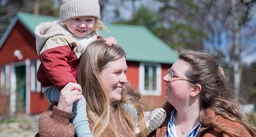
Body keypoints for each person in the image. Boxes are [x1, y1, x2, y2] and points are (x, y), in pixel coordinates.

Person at [36, 40, 166, 137]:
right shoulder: (69, 113)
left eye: (125, 72)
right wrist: (61, 117)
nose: (124, 80)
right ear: (95, 75)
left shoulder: (125, 114)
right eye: (117, 73)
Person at [34, 0, 116, 136]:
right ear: (66, 19)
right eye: (76, 19)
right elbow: (56, 66)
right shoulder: (57, 39)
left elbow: (96, 50)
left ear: (95, 21)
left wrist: (107, 44)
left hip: (78, 83)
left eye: (88, 20)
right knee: (79, 99)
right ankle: (84, 133)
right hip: (56, 86)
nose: (83, 25)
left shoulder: (90, 37)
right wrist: (70, 85)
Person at [148, 50, 256, 137]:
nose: (165, 78)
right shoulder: (153, 125)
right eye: (168, 72)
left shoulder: (230, 132)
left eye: (173, 75)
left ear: (195, 89)